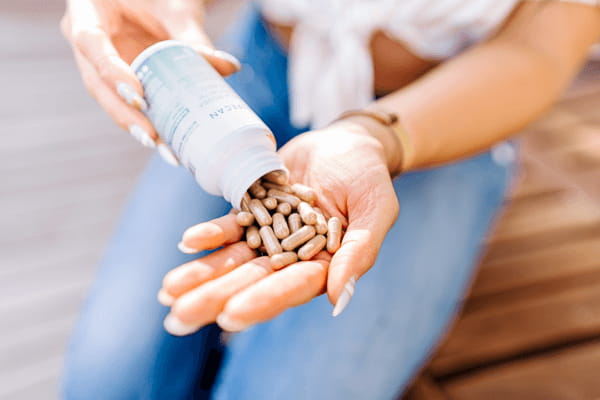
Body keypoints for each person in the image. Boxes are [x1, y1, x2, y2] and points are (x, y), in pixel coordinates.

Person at [60, 0, 600, 398]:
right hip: (248, 75)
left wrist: (372, 137)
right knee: (104, 383)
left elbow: (541, 45)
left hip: (444, 116)